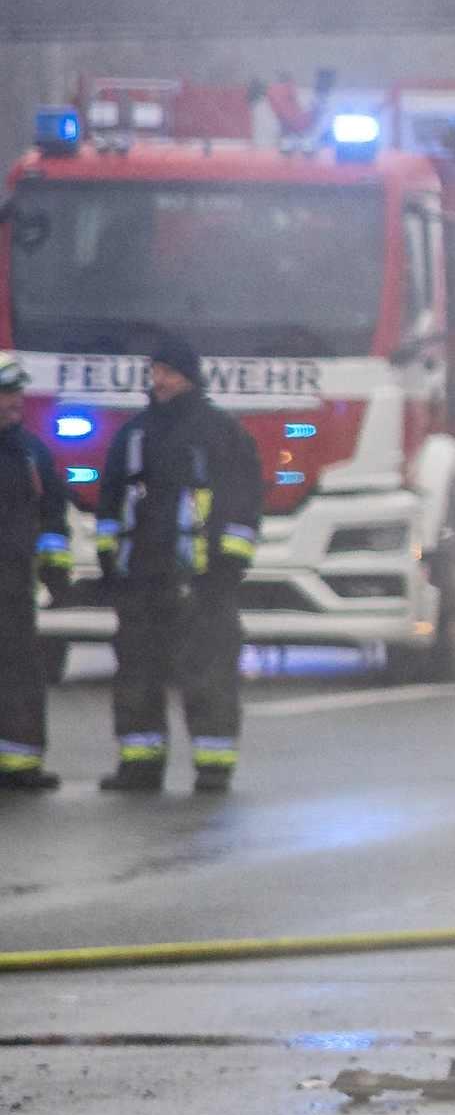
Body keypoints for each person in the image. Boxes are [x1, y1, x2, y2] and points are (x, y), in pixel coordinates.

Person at [102, 338, 261, 794]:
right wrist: (109, 559)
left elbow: (242, 502)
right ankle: (139, 764)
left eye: (169, 372)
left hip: (203, 580)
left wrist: (229, 565)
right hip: (142, 579)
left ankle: (213, 766)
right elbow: (112, 499)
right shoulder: (134, 434)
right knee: (136, 673)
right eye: (155, 372)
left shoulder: (222, 433)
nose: (160, 380)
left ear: (190, 376)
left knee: (209, 673)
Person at [0, 358, 56, 792]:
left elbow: (53, 511)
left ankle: (20, 764)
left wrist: (56, 564)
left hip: (15, 584)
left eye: (16, 391)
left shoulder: (30, 451)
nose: (13, 401)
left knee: (20, 672)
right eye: (5, 392)